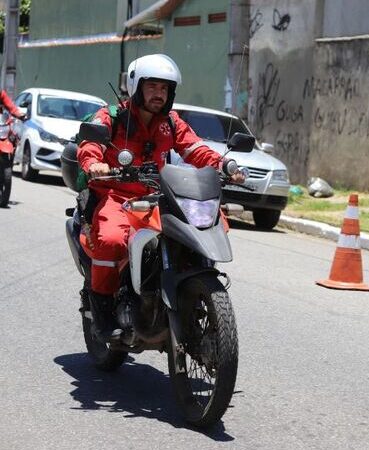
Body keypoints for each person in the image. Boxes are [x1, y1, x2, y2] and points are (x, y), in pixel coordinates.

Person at [78, 54, 245, 341]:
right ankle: (102, 309)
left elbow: (194, 149)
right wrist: (94, 163)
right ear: (137, 86)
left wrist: (224, 165)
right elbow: (90, 144)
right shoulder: (112, 116)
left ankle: (189, 291)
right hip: (117, 195)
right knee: (112, 239)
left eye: (165, 88)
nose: (159, 94)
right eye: (153, 86)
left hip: (158, 195)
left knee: (202, 226)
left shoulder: (171, 121)